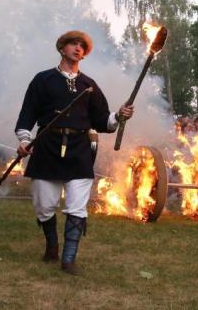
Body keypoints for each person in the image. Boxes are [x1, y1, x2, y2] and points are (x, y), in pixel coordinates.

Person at [15, 30, 134, 275]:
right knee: (44, 206)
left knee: (77, 207)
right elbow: (27, 114)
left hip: (79, 150)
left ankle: (69, 259)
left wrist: (119, 116)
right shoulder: (43, 80)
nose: (78, 48)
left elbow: (103, 120)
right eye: (73, 44)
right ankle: (52, 246)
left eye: (82, 46)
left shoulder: (88, 85)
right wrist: (25, 139)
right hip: (47, 147)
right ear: (62, 48)